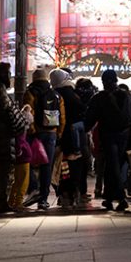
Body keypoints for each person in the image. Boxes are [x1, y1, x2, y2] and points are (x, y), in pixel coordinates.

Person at [85, 69, 131, 212]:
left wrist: (84, 130)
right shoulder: (128, 96)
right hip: (126, 136)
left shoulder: (99, 97)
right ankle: (109, 198)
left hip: (108, 135)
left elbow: (90, 119)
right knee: (114, 167)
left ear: (104, 82)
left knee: (112, 166)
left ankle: (121, 198)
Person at [0, 63, 30, 214]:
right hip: (2, 136)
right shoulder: (0, 91)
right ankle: (0, 201)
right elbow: (9, 112)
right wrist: (20, 119)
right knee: (2, 172)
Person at [22, 67, 65, 210]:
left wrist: (33, 131)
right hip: (51, 133)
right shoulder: (56, 94)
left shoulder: (30, 92)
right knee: (47, 166)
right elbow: (62, 116)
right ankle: (43, 199)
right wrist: (58, 132)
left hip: (36, 134)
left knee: (27, 161)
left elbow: (29, 112)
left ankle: (34, 188)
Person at [51, 68, 87, 209]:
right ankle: (74, 192)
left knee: (62, 167)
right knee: (75, 166)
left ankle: (64, 193)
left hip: (60, 136)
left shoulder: (55, 95)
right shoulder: (73, 94)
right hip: (76, 137)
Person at [9, 104, 34, 213]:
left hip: (21, 157)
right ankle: (18, 203)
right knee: (23, 180)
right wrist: (20, 151)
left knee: (17, 180)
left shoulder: (18, 128)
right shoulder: (22, 129)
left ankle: (11, 201)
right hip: (23, 157)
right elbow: (19, 142)